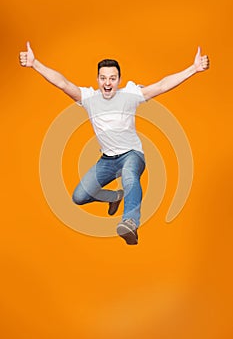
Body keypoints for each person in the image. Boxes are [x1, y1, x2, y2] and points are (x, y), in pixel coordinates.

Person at [19, 42, 209, 245]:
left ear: (119, 80)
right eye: (103, 78)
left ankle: (129, 223)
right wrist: (34, 64)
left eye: (112, 78)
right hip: (107, 160)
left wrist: (193, 69)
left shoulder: (130, 95)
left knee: (129, 177)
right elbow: (63, 83)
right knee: (79, 196)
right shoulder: (89, 98)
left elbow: (162, 85)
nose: (107, 83)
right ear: (97, 79)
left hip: (132, 155)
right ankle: (114, 197)